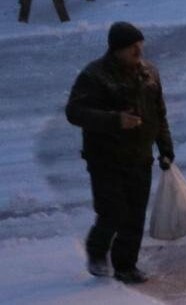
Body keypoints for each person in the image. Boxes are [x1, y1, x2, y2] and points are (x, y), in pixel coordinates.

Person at [65, 22, 175, 285]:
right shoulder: (95, 76)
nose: (139, 51)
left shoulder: (149, 73)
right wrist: (115, 120)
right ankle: (96, 251)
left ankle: (126, 266)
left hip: (140, 156)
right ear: (117, 49)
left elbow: (159, 113)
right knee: (112, 212)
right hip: (105, 158)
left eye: (140, 45)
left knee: (135, 214)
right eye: (132, 47)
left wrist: (166, 148)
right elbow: (75, 112)